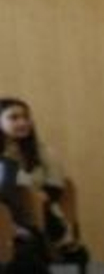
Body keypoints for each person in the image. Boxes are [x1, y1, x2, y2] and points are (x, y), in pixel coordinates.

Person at [0, 97, 73, 249]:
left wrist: (37, 196)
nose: (22, 122)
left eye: (26, 117)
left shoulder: (43, 152)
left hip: (39, 215)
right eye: (14, 118)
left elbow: (55, 187)